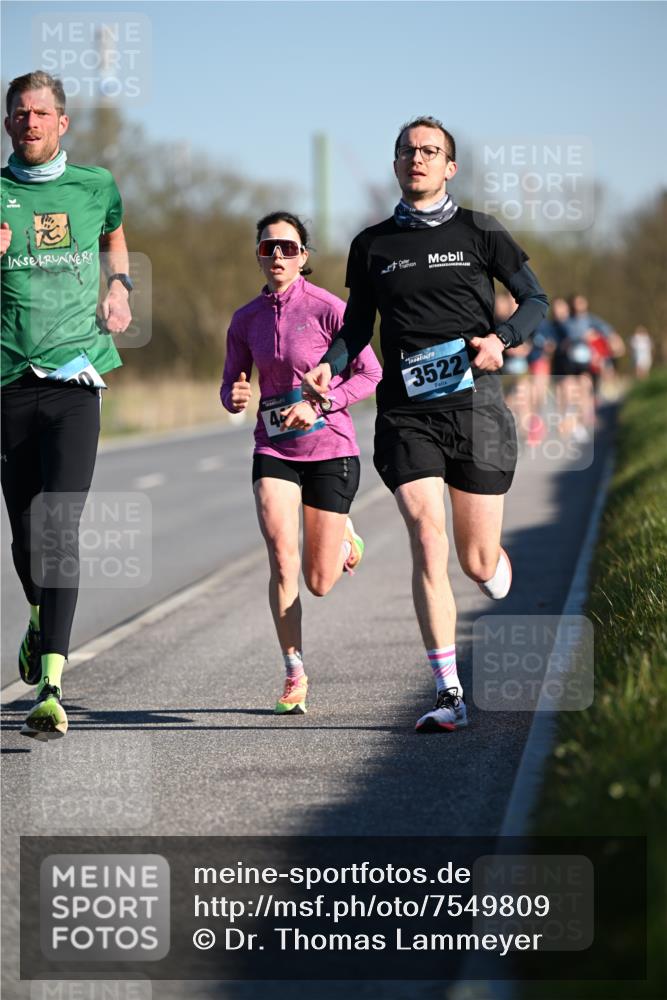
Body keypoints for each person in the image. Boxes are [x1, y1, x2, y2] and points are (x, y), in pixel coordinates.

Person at [302, 116, 548, 733]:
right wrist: (331, 367)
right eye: (409, 151)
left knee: (474, 558)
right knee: (427, 539)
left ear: (450, 166)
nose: (419, 159)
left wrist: (502, 340)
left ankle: (492, 563)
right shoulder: (372, 245)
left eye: (430, 151)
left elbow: (536, 301)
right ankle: (450, 693)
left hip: (478, 409)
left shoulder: (482, 232)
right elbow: (357, 328)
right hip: (407, 414)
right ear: (395, 163)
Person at [1, 71, 132, 740]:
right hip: (8, 381)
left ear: (62, 124)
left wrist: (121, 288)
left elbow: (114, 234)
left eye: (41, 112)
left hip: (77, 377)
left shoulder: (95, 185)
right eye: (19, 113)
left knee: (59, 527)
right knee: (26, 537)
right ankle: (36, 616)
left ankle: (52, 683)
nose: (30, 122)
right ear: (7, 124)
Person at [220, 211, 381, 715]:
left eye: (289, 248)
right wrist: (235, 393)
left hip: (330, 448)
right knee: (281, 557)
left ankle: (345, 536)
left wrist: (323, 402)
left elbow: (370, 374)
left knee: (319, 581)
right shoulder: (245, 319)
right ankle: (294, 672)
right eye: (269, 248)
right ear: (258, 255)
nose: (279, 256)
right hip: (273, 448)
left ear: (304, 256)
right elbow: (230, 384)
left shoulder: (331, 309)